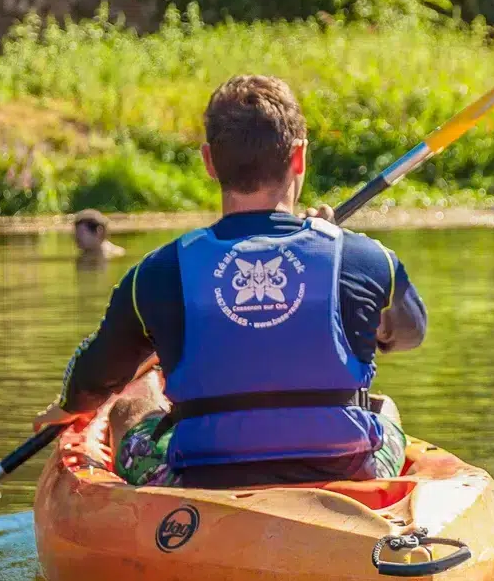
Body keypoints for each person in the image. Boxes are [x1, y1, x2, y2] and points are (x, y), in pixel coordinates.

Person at [35, 75, 426, 489]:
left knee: (132, 399)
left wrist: (67, 406)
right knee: (385, 409)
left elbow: (99, 374)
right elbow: (409, 334)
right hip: (343, 473)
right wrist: (330, 249)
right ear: (299, 157)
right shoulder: (367, 259)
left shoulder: (157, 272)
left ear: (208, 160)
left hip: (205, 478)